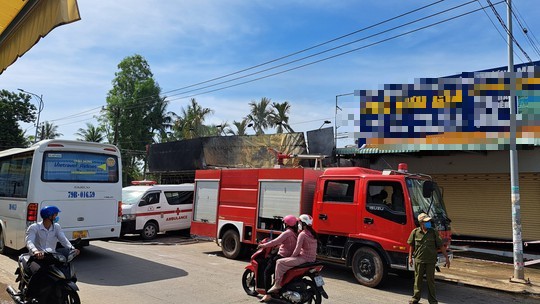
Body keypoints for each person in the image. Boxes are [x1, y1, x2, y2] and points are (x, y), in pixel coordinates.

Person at [25, 206, 80, 296]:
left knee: (67, 270)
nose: (56, 217)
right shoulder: (34, 227)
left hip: (52, 256)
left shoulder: (56, 227)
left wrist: (72, 249)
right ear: (49, 216)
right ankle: (30, 296)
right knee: (38, 273)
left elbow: (63, 239)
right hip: (38, 257)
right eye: (55, 215)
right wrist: (35, 251)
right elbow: (29, 241)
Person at [267, 214, 318, 295]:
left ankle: (277, 285)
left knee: (279, 262)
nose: (298, 224)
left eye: (299, 223)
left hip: (303, 258)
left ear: (303, 224)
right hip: (312, 259)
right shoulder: (313, 234)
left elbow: (297, 250)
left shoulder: (302, 234)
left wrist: (291, 258)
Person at [407, 213, 450, 304]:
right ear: (421, 223)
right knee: (417, 280)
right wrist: (410, 258)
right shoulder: (415, 232)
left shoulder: (433, 232)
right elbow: (411, 246)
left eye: (429, 221)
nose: (428, 223)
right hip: (419, 260)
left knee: (431, 281)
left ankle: (433, 301)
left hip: (431, 261)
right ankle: (415, 298)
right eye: (426, 222)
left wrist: (446, 257)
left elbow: (441, 246)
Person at [257, 215, 298, 302]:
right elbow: (287, 243)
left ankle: (267, 294)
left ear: (286, 224)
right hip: (290, 257)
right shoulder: (295, 233)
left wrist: (262, 245)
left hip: (282, 256)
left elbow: (274, 242)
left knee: (267, 272)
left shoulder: (286, 233)